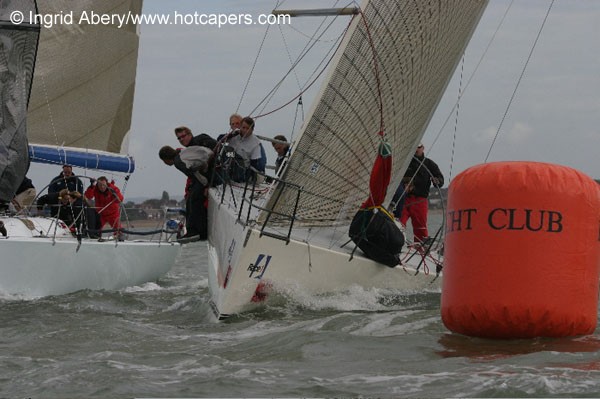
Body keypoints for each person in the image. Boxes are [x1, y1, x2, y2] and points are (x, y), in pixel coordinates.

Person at [159, 145, 213, 240]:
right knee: (191, 199)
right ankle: (197, 231)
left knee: (193, 201)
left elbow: (195, 173)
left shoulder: (178, 162)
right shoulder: (181, 152)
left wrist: (207, 185)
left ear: (165, 159)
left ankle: (194, 231)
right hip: (208, 161)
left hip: (207, 173)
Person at [398, 143, 444, 244]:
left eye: (418, 147)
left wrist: (437, 181)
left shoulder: (429, 164)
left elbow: (440, 179)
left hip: (420, 200)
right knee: (398, 224)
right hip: (404, 198)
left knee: (420, 227)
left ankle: (420, 248)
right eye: (414, 147)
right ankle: (397, 244)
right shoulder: (405, 162)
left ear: (423, 148)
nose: (416, 150)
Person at [227, 116, 266, 182]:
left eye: (247, 128)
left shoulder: (256, 143)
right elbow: (219, 139)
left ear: (252, 130)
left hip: (244, 169)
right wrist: (230, 135)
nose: (245, 130)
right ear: (240, 127)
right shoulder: (234, 135)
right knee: (226, 152)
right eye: (243, 127)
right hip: (230, 163)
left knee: (238, 159)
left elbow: (257, 164)